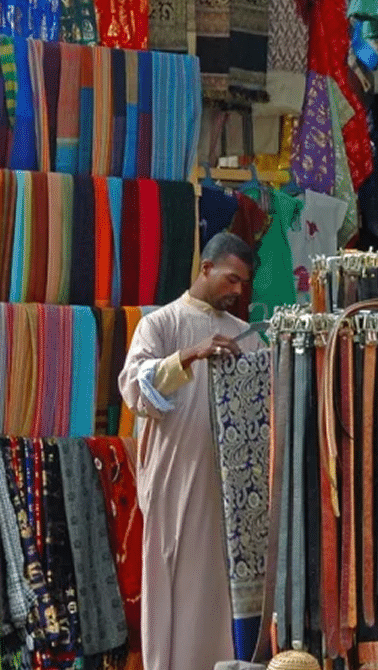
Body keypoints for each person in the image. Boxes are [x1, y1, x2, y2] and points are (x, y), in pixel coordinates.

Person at [119, 232, 258, 670]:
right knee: (172, 588)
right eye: (231, 279)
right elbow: (134, 387)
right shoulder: (160, 325)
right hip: (174, 480)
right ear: (206, 269)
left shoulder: (247, 336)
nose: (237, 291)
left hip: (232, 493)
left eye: (243, 284)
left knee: (221, 591)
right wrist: (190, 356)